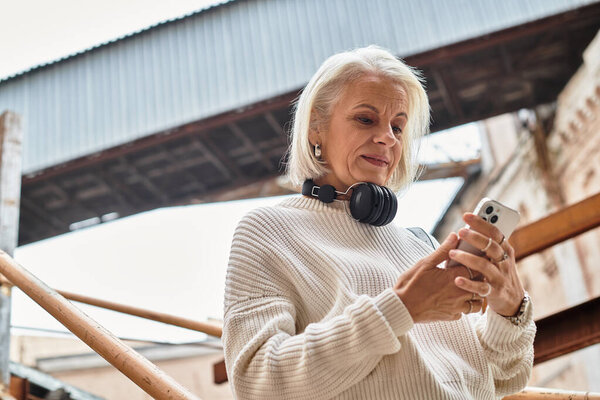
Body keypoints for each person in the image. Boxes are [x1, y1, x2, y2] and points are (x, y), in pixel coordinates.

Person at [222, 46, 535, 400]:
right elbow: (257, 383)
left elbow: (505, 379)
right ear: (316, 130)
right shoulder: (267, 231)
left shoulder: (421, 245)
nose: (388, 137)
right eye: (366, 119)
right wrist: (403, 308)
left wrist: (509, 310)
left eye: (398, 127)